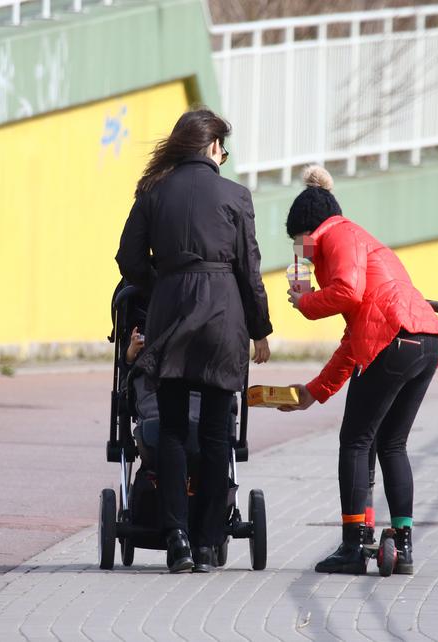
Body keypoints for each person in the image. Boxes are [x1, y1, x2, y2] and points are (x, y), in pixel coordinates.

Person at [115, 107, 273, 574]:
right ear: (212, 147)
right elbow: (249, 267)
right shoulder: (235, 195)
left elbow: (128, 257)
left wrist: (159, 284)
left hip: (169, 316)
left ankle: (177, 538)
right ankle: (207, 543)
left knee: (173, 428)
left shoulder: (153, 191)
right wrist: (260, 329)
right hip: (225, 318)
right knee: (217, 431)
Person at [280, 165, 438, 575]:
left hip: (394, 339)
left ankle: (354, 546)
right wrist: (313, 392)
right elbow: (355, 340)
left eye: (296, 242)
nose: (297, 252)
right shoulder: (365, 243)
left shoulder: (338, 236)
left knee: (355, 441)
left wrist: (305, 302)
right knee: (391, 443)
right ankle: (403, 545)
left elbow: (347, 293)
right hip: (423, 338)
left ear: (307, 231)